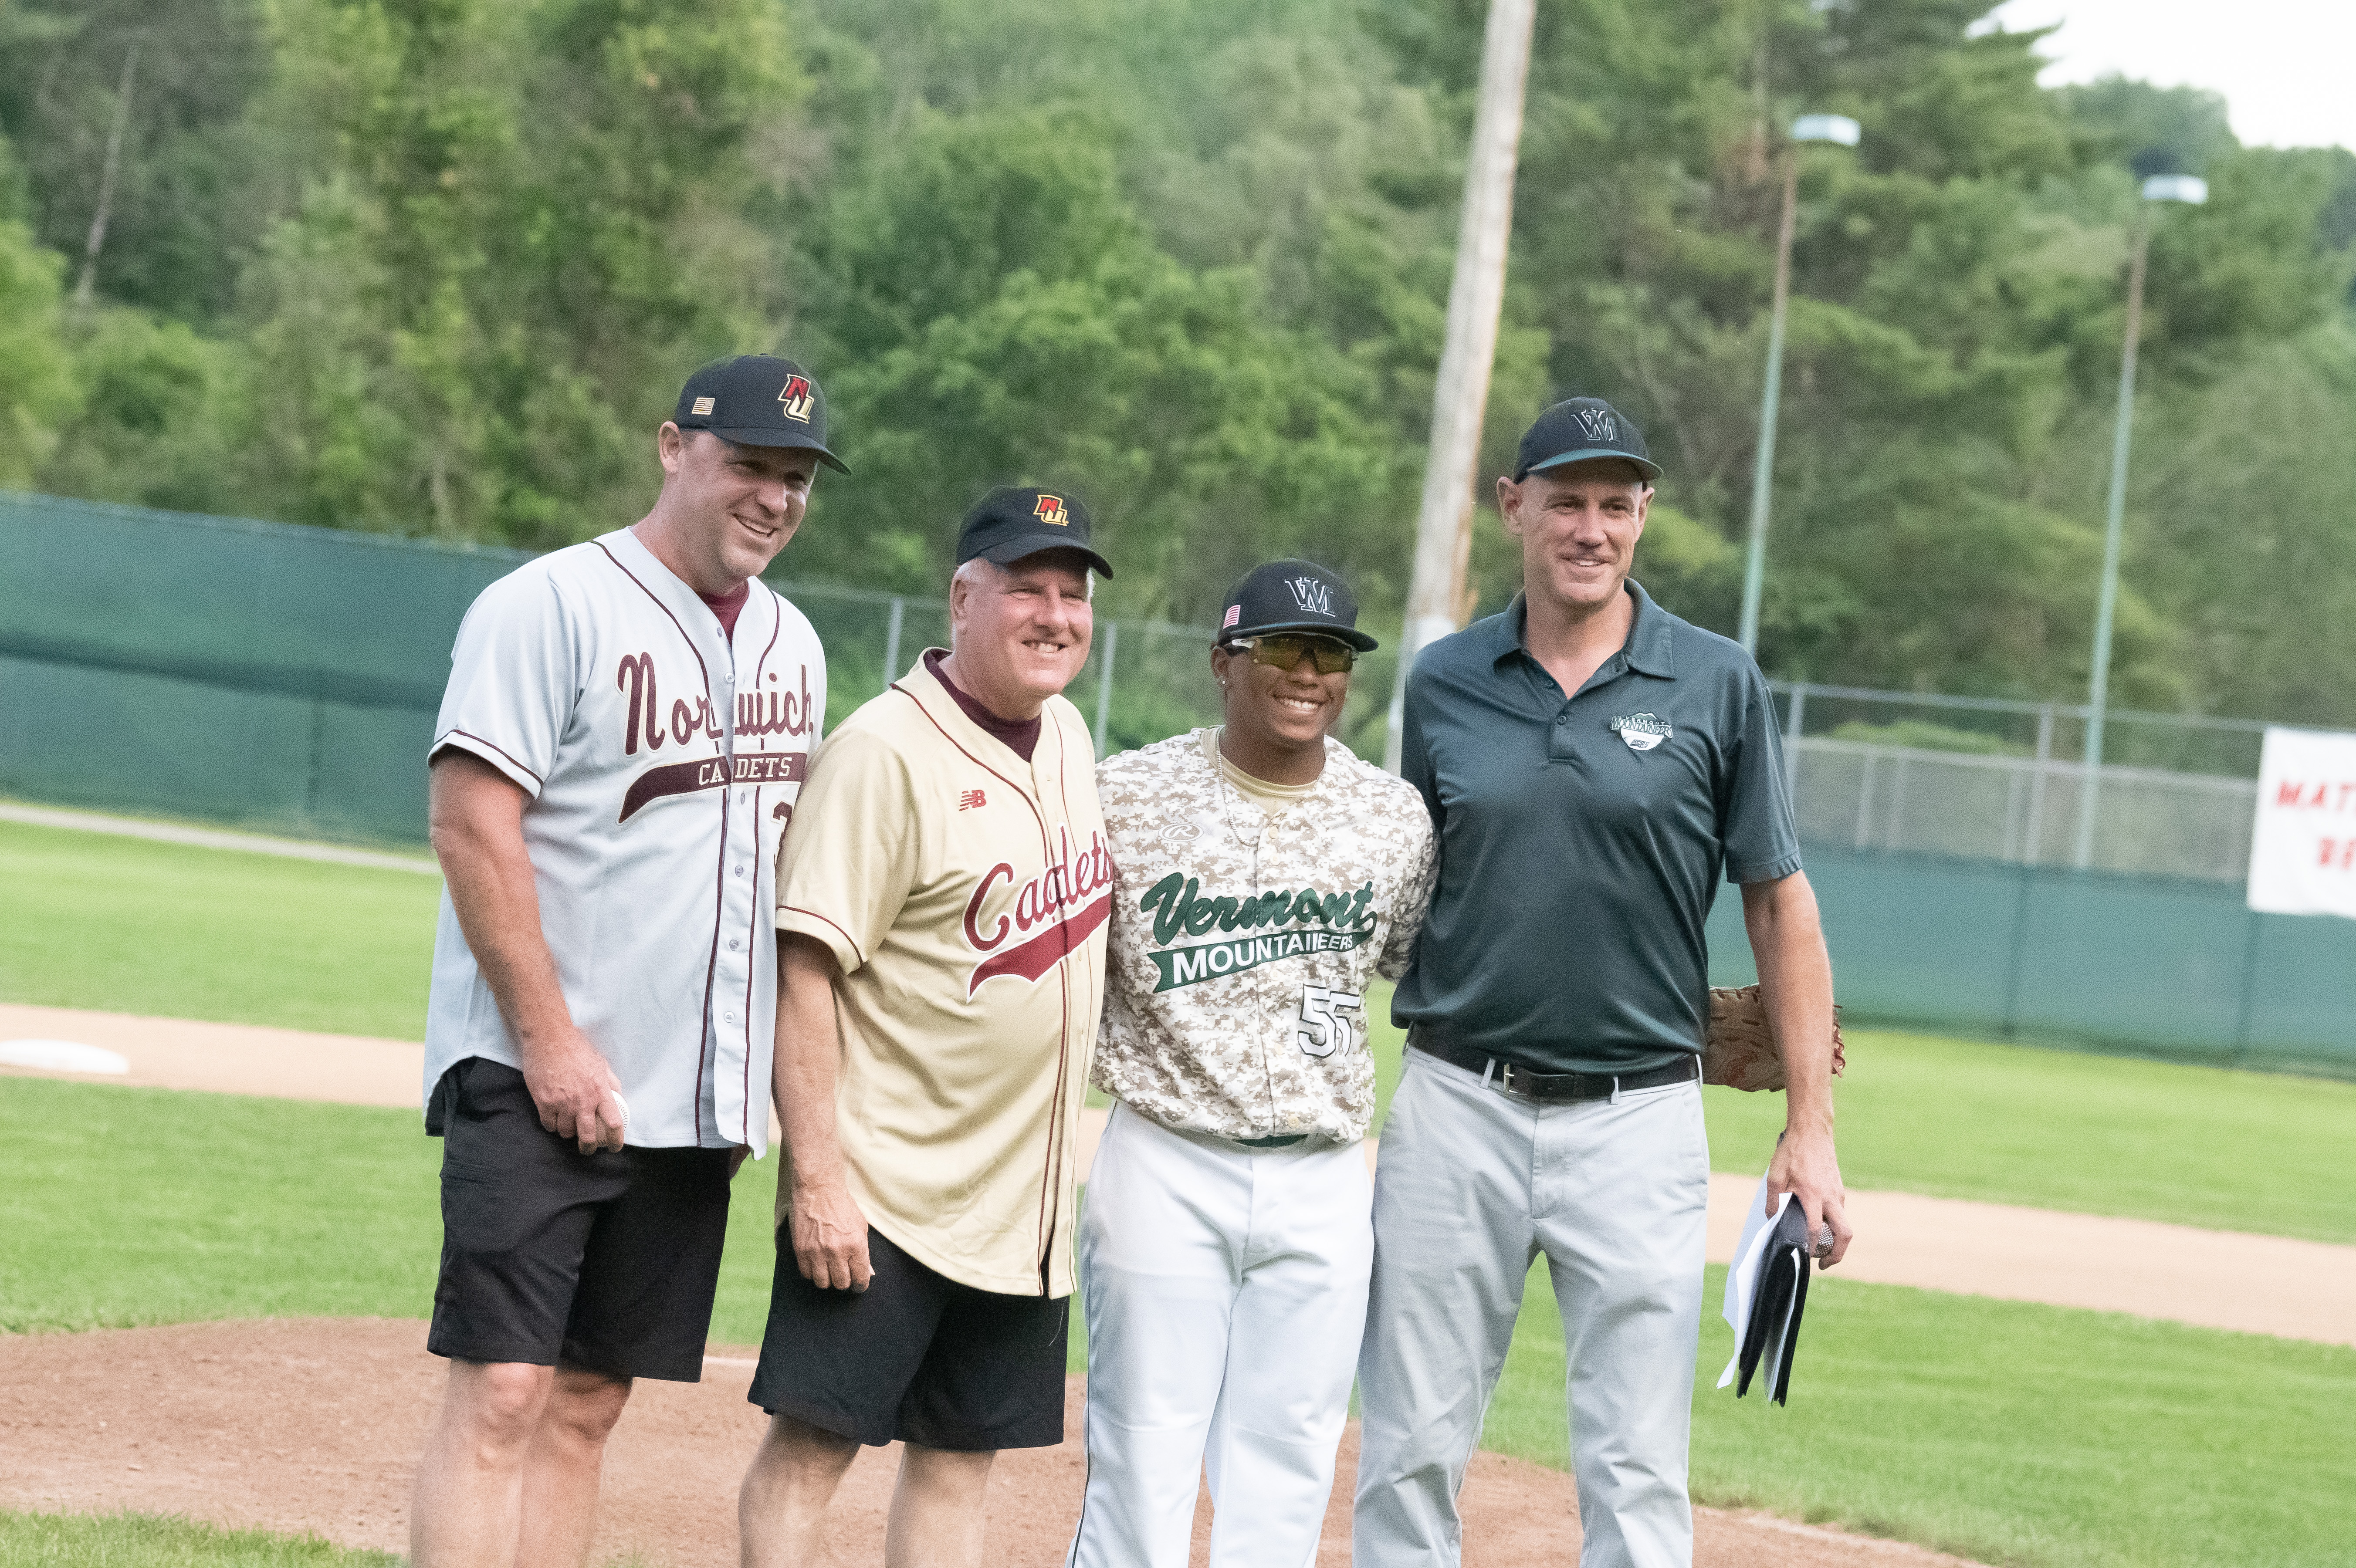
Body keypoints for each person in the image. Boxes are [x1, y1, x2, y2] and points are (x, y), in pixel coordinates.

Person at [1353, 397, 1853, 1568]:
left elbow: (1778, 898)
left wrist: (1810, 1131)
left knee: (1634, 1467)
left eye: (1617, 504)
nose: (1592, 527)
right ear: (1513, 506)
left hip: (1639, 1120)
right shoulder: (1443, 682)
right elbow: (1406, 883)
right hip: (1457, 1104)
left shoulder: (1716, 682)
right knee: (1412, 1444)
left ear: (1644, 518)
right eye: (1567, 500)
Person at [410, 354, 846, 1568]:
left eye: (798, 476)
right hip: (532, 1069)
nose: (775, 495)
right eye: (752, 464)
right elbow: (470, 823)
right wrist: (548, 1041)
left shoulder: (794, 648)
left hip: (688, 1098)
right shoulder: (546, 605)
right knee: (502, 1390)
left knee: (592, 1404)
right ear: (673, 448)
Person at [737, 487, 1115, 1568]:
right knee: (814, 1451)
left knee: (959, 1461)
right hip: (887, 1192)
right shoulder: (883, 752)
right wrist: (819, 1183)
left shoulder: (1068, 736)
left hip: (1021, 1206)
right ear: (961, 597)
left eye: (1073, 594)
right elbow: (803, 971)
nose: (1055, 615)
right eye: (1026, 589)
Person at [1068, 560, 1436, 1568]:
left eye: (1329, 654)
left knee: (1288, 1460)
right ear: (1225, 661)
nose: (1307, 673)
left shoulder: (1393, 817)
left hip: (1322, 1174)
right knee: (1142, 1451)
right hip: (1165, 1157)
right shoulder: (1125, 796)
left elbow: (1413, 965)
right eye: (1281, 648)